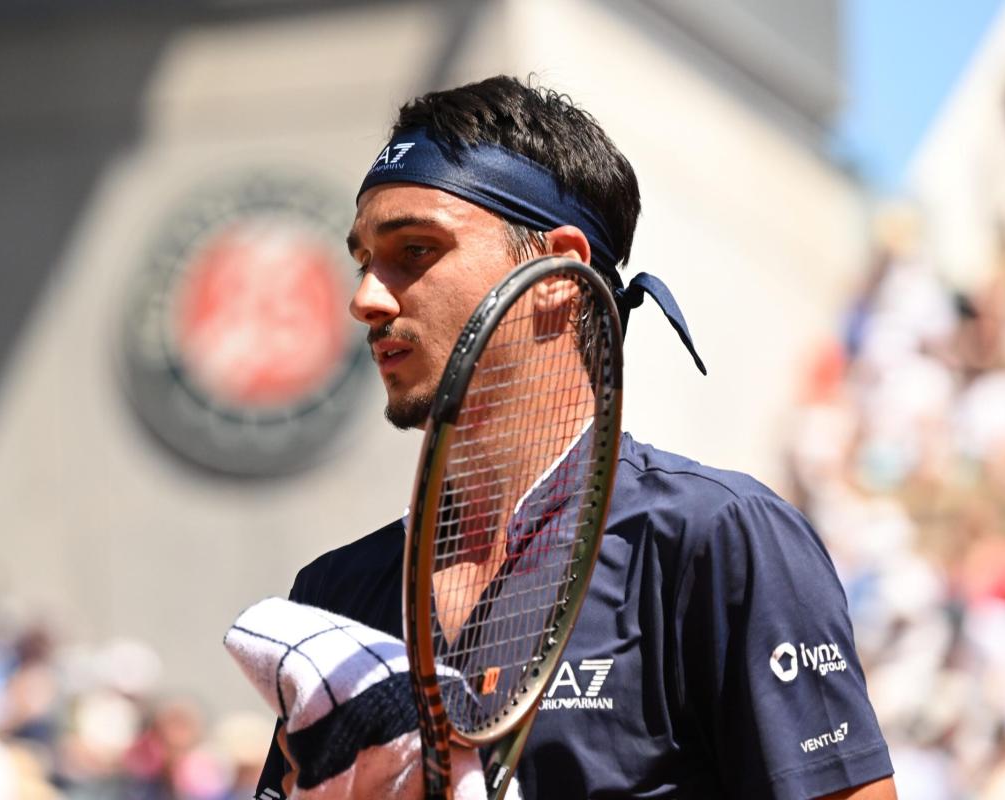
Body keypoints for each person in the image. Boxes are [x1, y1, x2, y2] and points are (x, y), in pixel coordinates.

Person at [254, 75, 897, 799]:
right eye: (365, 260)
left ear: (557, 272)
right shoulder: (333, 591)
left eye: (415, 251)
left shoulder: (715, 539)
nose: (366, 297)